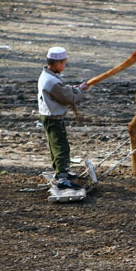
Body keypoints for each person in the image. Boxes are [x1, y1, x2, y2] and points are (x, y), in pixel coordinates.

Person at [38, 46, 89, 190]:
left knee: (55, 144)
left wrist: (74, 87)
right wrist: (80, 90)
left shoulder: (47, 76)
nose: (64, 66)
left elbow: (61, 91)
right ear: (59, 63)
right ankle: (62, 178)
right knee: (61, 147)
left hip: (48, 115)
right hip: (53, 117)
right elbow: (68, 97)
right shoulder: (51, 81)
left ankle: (61, 171)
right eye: (64, 63)